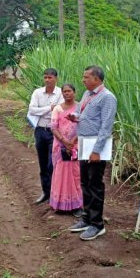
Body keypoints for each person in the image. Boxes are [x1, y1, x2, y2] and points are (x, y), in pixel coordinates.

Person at [67, 65, 117, 241]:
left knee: (95, 184)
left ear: (97, 79)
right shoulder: (87, 94)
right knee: (85, 182)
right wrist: (75, 117)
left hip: (96, 145)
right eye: (83, 77)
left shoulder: (107, 97)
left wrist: (96, 150)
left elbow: (106, 126)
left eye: (86, 77)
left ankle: (97, 224)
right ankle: (87, 218)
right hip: (84, 143)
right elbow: (83, 114)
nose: (83, 80)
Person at [27, 68, 64, 204]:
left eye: (50, 77)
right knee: (43, 163)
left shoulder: (61, 92)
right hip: (40, 131)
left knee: (52, 164)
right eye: (45, 77)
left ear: (56, 78)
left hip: (55, 132)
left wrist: (42, 111)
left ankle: (55, 193)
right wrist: (49, 108)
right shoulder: (37, 92)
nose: (47, 80)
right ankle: (45, 192)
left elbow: (60, 111)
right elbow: (32, 110)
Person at [49, 84, 83, 213]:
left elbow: (82, 125)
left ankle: (76, 205)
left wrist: (72, 142)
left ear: (74, 92)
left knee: (75, 174)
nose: (67, 94)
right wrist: (64, 141)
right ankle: (60, 204)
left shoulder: (80, 107)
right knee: (60, 174)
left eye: (69, 91)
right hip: (60, 147)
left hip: (76, 146)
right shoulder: (57, 109)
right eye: (64, 92)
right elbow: (53, 127)